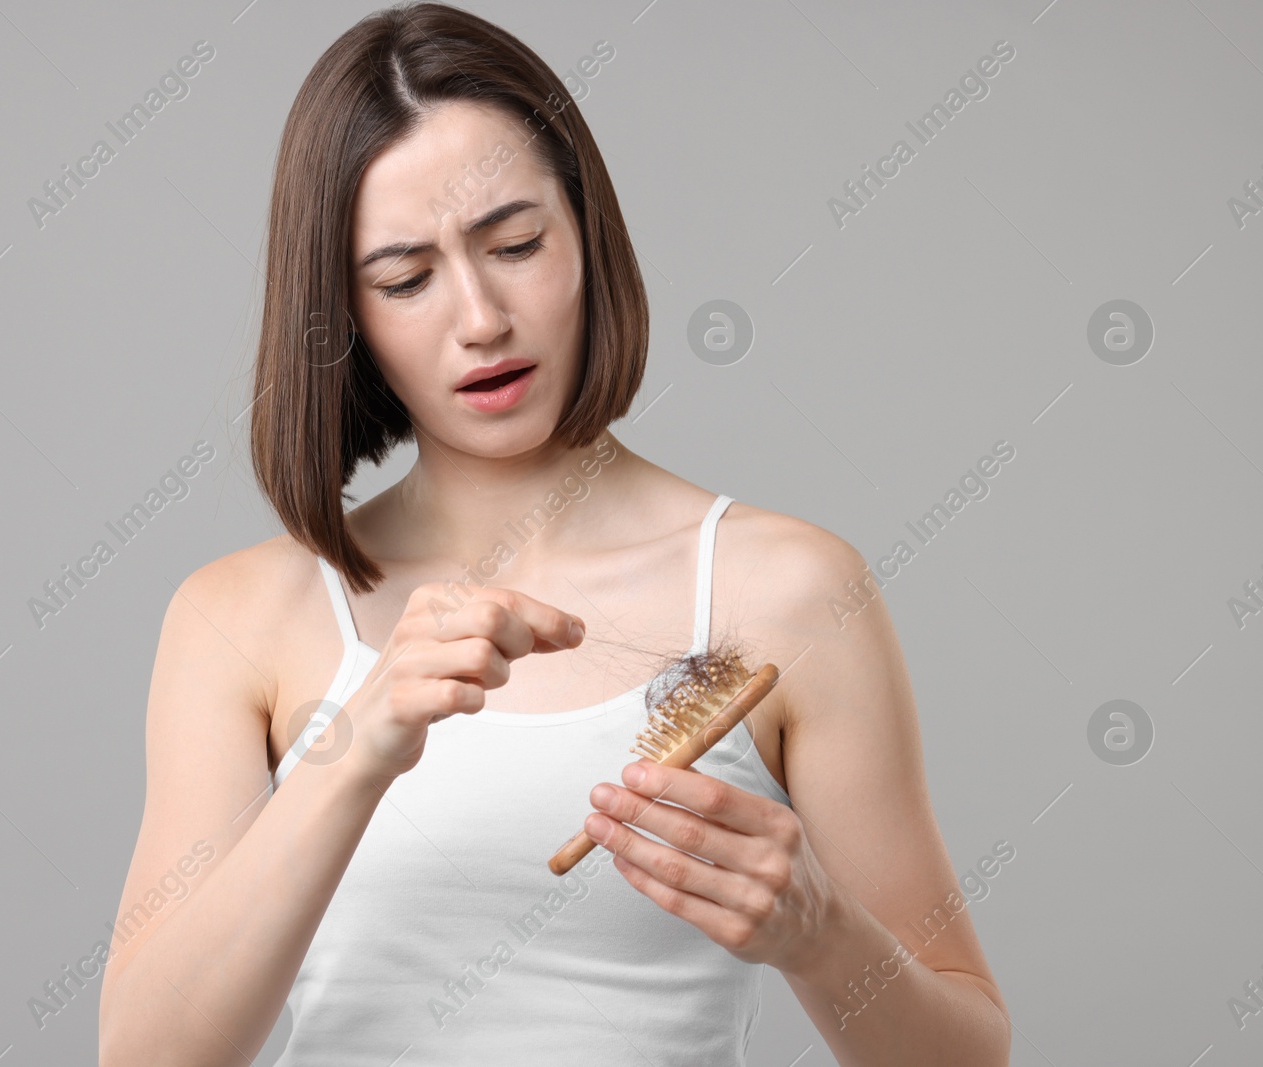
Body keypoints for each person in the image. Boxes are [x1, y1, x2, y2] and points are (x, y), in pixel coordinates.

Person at [98, 4, 1009, 1065]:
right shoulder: (238, 618)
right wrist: (355, 749)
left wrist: (819, 934)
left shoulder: (788, 591)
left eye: (515, 244)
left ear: (588, 232)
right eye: (405, 278)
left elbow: (965, 1052)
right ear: (342, 315)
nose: (480, 315)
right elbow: (147, 1055)